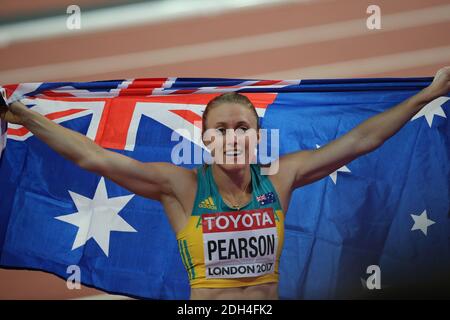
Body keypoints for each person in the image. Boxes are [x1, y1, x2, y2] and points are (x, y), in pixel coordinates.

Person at [0, 67, 449, 300]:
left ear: (256, 137)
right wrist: (22, 116)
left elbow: (360, 139)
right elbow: (91, 155)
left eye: (242, 127)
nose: (233, 135)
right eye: (222, 128)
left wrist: (427, 96)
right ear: (207, 138)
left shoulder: (282, 176)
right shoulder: (180, 185)